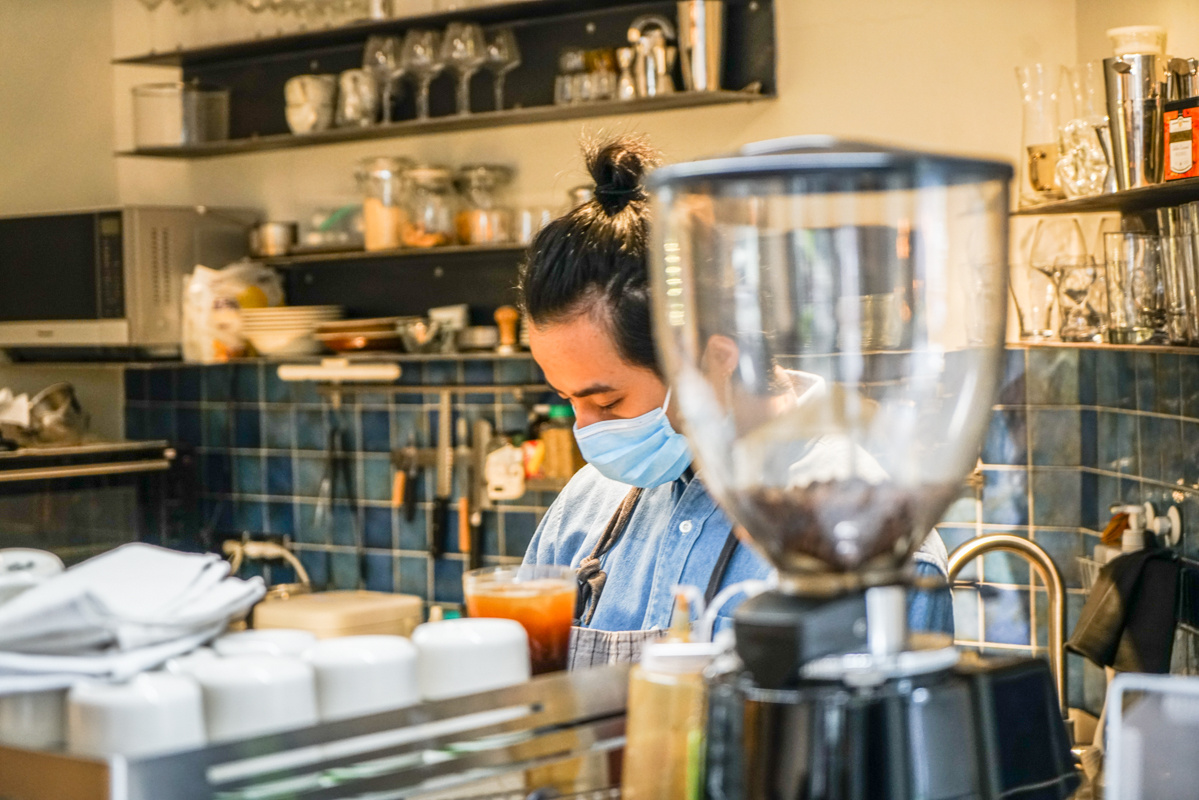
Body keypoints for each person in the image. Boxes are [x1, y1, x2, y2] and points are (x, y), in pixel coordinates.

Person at [518, 135, 953, 668]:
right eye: (568, 402)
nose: (586, 432)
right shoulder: (583, 511)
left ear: (715, 361)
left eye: (606, 403)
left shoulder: (862, 535)